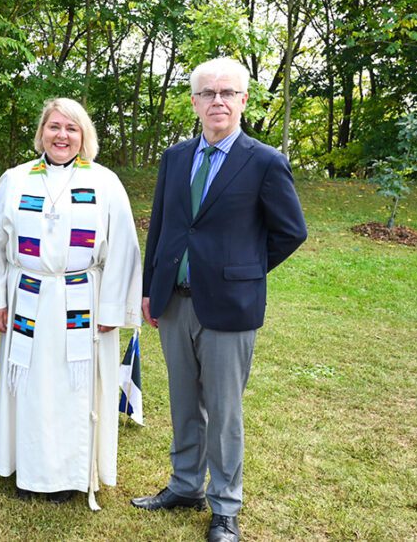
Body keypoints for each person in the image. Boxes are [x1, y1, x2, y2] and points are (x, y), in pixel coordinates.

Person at [132, 58, 307, 542]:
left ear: (243, 100)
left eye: (227, 93)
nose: (217, 101)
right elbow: (164, 227)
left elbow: (291, 231)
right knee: (185, 402)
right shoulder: (175, 158)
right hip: (174, 303)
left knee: (224, 411)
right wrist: (150, 288)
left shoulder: (265, 161)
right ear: (194, 102)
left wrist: (243, 272)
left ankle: (225, 505)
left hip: (230, 307)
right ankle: (185, 485)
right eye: (207, 93)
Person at [0, 98, 142, 508]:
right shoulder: (16, 180)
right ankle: (27, 470)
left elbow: (123, 250)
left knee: (76, 388)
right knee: (29, 385)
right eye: (54, 127)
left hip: (81, 303)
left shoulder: (104, 183)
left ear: (84, 135)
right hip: (28, 297)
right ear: (42, 132)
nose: (62, 135)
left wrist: (110, 310)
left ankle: (71, 474)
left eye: (71, 128)